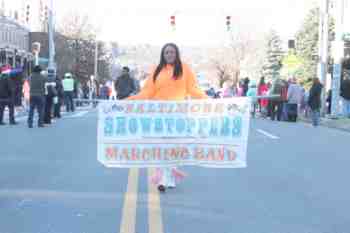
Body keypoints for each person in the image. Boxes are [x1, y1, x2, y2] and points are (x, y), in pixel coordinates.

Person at [128, 43, 208, 192]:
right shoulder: (157, 70)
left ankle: (169, 176)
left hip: (178, 115)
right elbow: (148, 91)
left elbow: (193, 89)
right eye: (166, 53)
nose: (169, 55)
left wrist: (208, 100)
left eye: (171, 52)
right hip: (159, 115)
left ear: (176, 54)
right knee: (162, 146)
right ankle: (165, 178)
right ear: (162, 55)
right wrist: (130, 100)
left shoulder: (184, 68)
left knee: (174, 147)